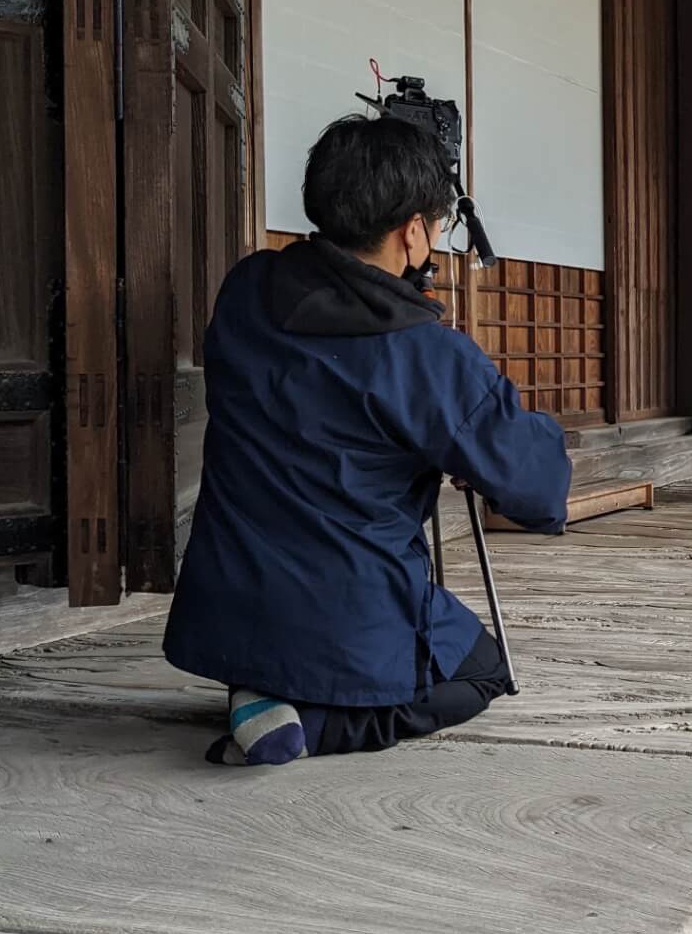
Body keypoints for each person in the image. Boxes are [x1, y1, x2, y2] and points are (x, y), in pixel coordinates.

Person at [163, 114, 571, 765]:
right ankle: (317, 724)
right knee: (483, 670)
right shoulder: (428, 356)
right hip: (346, 611)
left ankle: (262, 687)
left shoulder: (245, 292)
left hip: (225, 607)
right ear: (412, 232)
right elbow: (539, 491)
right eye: (435, 229)